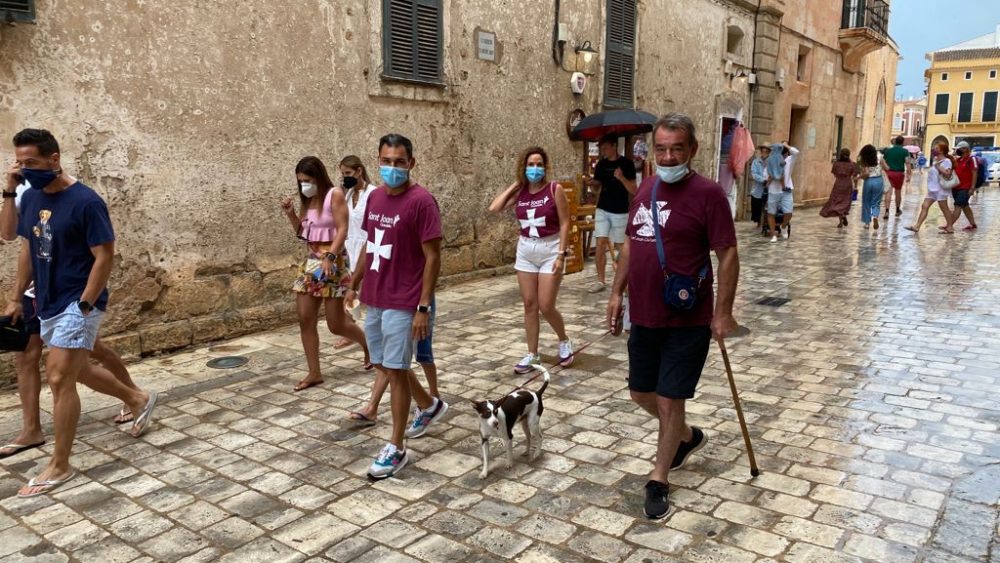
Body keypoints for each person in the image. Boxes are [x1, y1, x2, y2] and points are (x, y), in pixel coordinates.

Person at [5, 129, 157, 498]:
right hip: (47, 300)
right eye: (20, 162)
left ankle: (60, 464)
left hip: (79, 300)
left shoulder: (86, 201)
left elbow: (104, 256)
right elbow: (16, 240)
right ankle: (138, 399)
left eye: (32, 163)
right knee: (79, 369)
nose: (25, 169)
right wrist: (14, 297)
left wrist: (87, 303)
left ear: (54, 159)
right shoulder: (31, 197)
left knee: (58, 378)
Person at [606, 113, 739, 519]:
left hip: (687, 316)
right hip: (643, 313)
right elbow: (631, 242)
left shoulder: (709, 194)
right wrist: (616, 292)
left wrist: (723, 313)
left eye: (676, 149)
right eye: (661, 149)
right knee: (640, 392)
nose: (667, 157)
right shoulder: (645, 187)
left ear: (692, 150)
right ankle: (685, 436)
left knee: (669, 398)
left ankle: (659, 477)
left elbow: (728, 253)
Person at [346, 133, 448, 480]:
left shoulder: (422, 202)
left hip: (404, 300)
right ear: (377, 161)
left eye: (399, 162)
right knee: (385, 365)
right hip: (374, 295)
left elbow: (433, 257)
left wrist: (423, 307)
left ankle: (396, 446)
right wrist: (354, 283)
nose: (392, 168)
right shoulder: (374, 198)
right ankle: (429, 405)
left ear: (411, 164)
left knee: (396, 367)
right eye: (385, 161)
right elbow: (368, 244)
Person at [280, 156, 369, 391]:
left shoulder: (334, 195)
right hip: (312, 263)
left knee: (336, 325)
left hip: (334, 261)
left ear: (318, 177)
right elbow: (304, 232)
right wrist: (291, 214)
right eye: (300, 181)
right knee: (304, 318)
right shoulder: (307, 200)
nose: (304, 185)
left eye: (307, 180)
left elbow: (342, 228)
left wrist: (331, 256)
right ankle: (314, 372)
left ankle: (369, 346)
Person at [488, 147, 574, 373]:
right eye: (530, 165)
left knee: (546, 305)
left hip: (550, 248)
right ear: (523, 167)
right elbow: (494, 208)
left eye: (538, 164)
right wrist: (516, 185)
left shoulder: (554, 189)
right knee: (529, 304)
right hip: (526, 249)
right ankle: (532, 354)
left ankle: (564, 340)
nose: (534, 169)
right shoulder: (521, 192)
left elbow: (566, 222)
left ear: (545, 167)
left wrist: (561, 254)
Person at [337, 155, 378, 348]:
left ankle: (376, 329)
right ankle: (350, 331)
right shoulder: (347, 194)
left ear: (359, 171)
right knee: (349, 288)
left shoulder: (373, 193)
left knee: (368, 289)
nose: (345, 177)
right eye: (343, 174)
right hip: (349, 245)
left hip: (366, 244)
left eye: (348, 173)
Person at [587, 134, 636, 292]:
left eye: (605, 147)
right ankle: (600, 281)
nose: (603, 151)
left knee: (621, 247)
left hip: (621, 211)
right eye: (601, 148)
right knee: (600, 243)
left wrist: (621, 178)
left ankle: (624, 282)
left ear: (614, 146)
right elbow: (597, 186)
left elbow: (634, 190)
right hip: (602, 208)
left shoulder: (626, 164)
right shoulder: (601, 164)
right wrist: (591, 183)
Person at [905, 141, 956, 234]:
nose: (934, 150)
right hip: (932, 189)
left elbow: (948, 174)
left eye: (937, 148)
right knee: (924, 206)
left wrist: (938, 166)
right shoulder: (936, 160)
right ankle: (917, 226)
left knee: (944, 208)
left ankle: (950, 227)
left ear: (942, 151)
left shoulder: (946, 161)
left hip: (941, 189)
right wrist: (936, 164)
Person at [766, 142, 798, 242]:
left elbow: (796, 152)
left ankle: (783, 226)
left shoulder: (789, 161)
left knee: (789, 212)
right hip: (773, 190)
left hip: (786, 190)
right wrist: (770, 178)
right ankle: (773, 235)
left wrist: (787, 146)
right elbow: (765, 175)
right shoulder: (770, 160)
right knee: (771, 212)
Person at [820, 148, 857, 228]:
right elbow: (854, 175)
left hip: (838, 183)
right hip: (847, 184)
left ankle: (840, 222)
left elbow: (834, 174)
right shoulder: (852, 164)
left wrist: (840, 177)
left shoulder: (836, 164)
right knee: (845, 201)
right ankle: (842, 214)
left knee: (836, 200)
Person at [951, 141, 978, 231]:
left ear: (965, 149)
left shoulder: (971, 159)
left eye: (958, 149)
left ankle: (949, 225)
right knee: (965, 206)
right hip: (956, 187)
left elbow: (975, 172)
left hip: (965, 187)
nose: (957, 151)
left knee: (958, 205)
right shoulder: (958, 160)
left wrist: (972, 187)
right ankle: (972, 224)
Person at [857, 145, 886, 230]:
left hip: (869, 182)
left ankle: (866, 223)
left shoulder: (865, 159)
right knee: (876, 202)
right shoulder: (880, 157)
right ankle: (875, 216)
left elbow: (866, 174)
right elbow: (886, 167)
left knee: (866, 202)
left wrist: (859, 177)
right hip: (878, 181)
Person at [880, 136, 909, 219]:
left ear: (895, 142)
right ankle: (897, 210)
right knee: (898, 192)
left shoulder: (888, 151)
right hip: (899, 174)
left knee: (888, 192)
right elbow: (908, 163)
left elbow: (883, 161)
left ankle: (887, 211)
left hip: (889, 173)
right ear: (902, 142)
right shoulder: (905, 151)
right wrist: (909, 174)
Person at [749, 145, 770, 232]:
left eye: (766, 151)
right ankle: (759, 223)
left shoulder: (771, 162)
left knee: (766, 207)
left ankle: (765, 223)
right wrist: (763, 180)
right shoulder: (756, 162)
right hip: (758, 188)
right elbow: (754, 174)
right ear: (761, 152)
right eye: (763, 151)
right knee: (757, 206)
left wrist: (769, 180)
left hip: (769, 188)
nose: (764, 153)